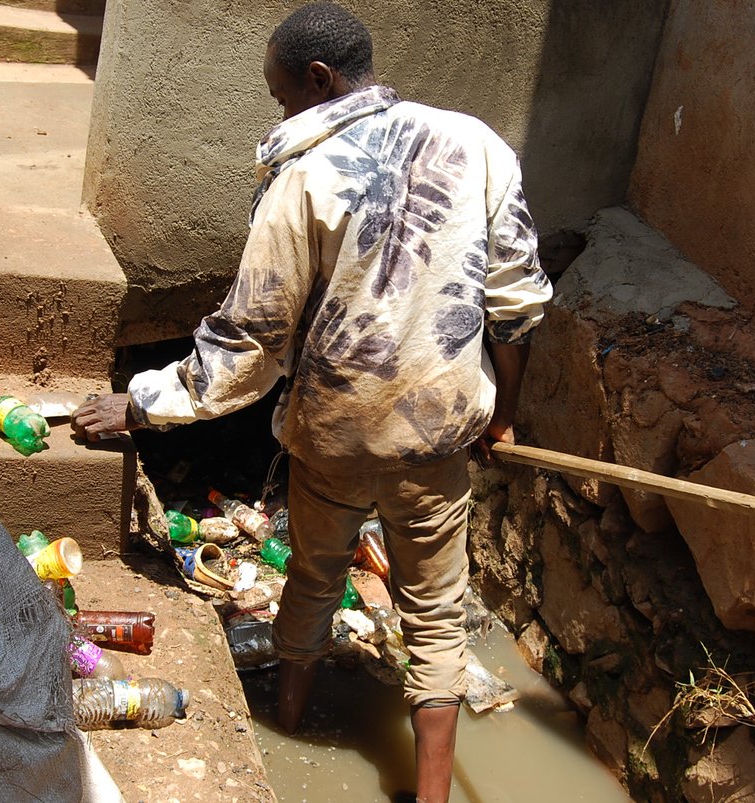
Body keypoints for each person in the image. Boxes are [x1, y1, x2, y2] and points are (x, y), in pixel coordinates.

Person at [71, 4, 552, 800]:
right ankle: (433, 795)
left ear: (319, 80)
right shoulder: (475, 143)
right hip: (437, 431)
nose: (280, 110)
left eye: (281, 93)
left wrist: (142, 402)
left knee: (317, 574)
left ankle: (291, 719)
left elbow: (250, 342)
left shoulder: (303, 176)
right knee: (436, 615)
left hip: (336, 431)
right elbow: (518, 302)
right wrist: (501, 413)